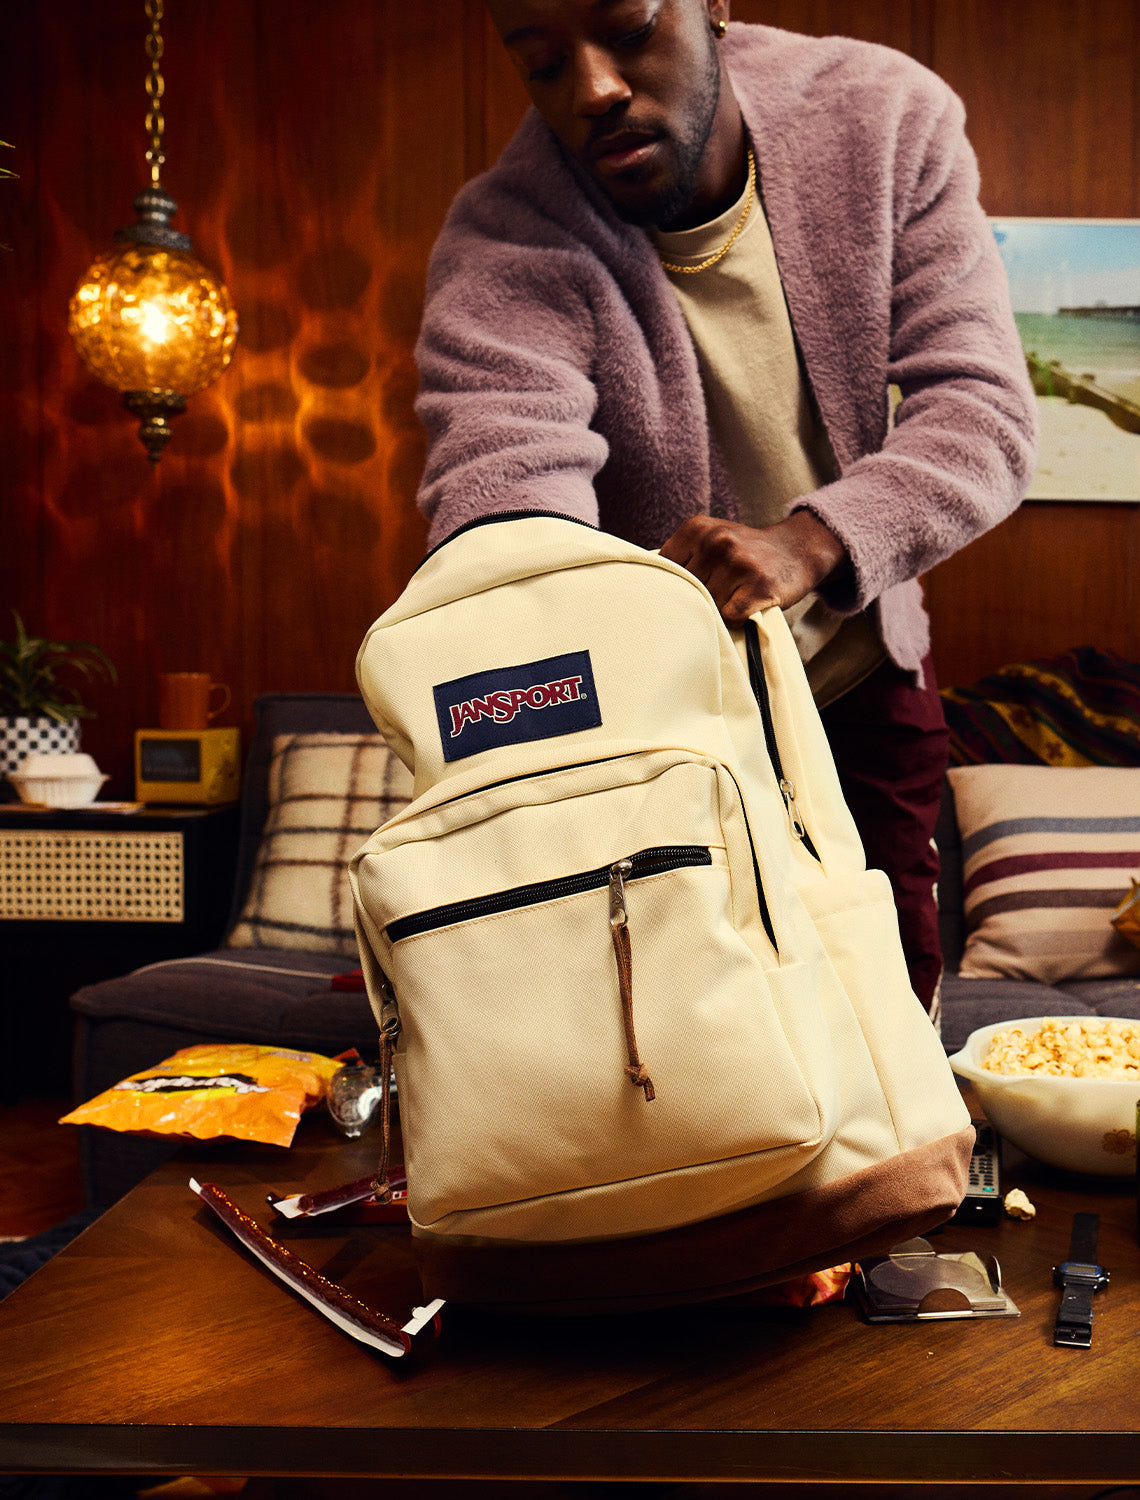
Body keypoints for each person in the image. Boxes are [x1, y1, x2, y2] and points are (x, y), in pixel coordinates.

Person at [411, 0, 1038, 1022]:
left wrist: (810, 542)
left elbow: (983, 413)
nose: (594, 89)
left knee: (889, 1049)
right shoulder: (505, 237)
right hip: (652, 741)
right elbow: (504, 494)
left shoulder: (882, 118)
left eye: (626, 30)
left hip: (860, 684)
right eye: (541, 64)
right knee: (683, 1066)